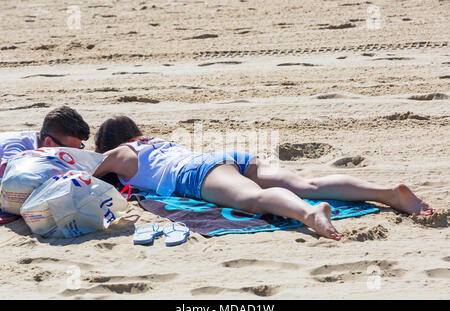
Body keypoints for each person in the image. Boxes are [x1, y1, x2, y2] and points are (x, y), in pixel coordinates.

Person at [93, 116, 435, 241]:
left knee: (252, 199)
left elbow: (86, 173)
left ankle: (308, 214)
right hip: (225, 157)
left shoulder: (121, 154)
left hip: (195, 175)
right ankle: (390, 193)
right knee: (307, 184)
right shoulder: (155, 142)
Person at [0, 106, 90, 178]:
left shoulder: (45, 142)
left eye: (79, 149)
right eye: (69, 151)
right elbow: (12, 177)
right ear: (48, 142)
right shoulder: (16, 147)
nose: (72, 157)